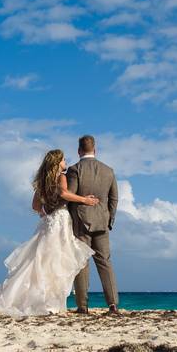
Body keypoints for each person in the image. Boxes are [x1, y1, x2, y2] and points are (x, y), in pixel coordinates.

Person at [0, 149, 98, 316]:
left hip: (49, 222)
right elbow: (64, 193)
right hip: (61, 220)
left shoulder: (42, 181)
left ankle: (42, 300)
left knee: (42, 260)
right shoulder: (61, 177)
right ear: (57, 162)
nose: (65, 162)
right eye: (63, 160)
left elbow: (35, 206)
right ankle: (50, 302)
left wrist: (45, 212)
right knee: (56, 260)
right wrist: (85, 200)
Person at [66, 134, 120, 316]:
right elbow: (114, 198)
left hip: (81, 222)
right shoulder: (109, 171)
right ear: (95, 150)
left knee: (81, 263)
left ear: (79, 150)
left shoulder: (75, 170)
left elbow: (70, 196)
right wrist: (109, 219)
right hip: (102, 222)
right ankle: (113, 305)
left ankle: (82, 306)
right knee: (105, 262)